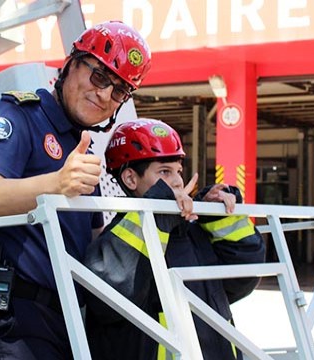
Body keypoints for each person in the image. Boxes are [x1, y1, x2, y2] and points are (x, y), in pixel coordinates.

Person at [0, 21, 151, 359]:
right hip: (3, 319)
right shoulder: (16, 116)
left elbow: (98, 251)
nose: (104, 94)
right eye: (99, 77)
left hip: (57, 323)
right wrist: (56, 185)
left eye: (119, 91)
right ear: (71, 65)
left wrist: (162, 208)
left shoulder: (81, 156)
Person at [83, 119, 266, 360]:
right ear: (130, 179)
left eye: (178, 171)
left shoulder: (193, 233)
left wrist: (218, 217)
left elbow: (242, 280)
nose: (179, 181)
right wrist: (157, 211)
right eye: (164, 172)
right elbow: (110, 301)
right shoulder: (117, 240)